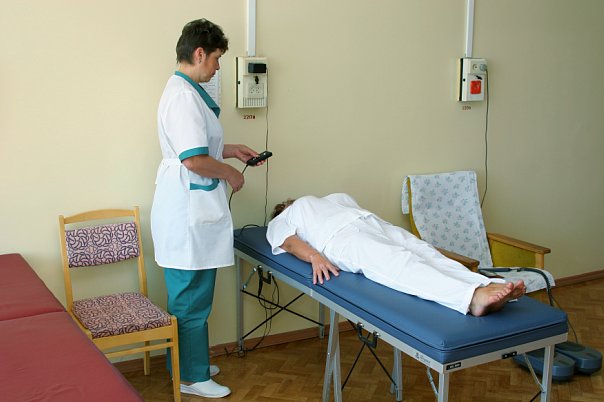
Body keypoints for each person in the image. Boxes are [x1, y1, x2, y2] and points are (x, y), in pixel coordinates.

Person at [151, 19, 263, 399]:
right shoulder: (183, 96)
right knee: (190, 300)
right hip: (186, 214)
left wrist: (231, 150)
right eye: (216, 58)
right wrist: (230, 173)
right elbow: (194, 160)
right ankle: (191, 376)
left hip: (189, 209)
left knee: (193, 296)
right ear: (199, 54)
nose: (217, 68)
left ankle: (189, 362)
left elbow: (197, 147)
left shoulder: (185, 91)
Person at [266, 193, 526, 316]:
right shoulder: (284, 218)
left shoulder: (328, 200)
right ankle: (471, 299)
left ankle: (482, 284)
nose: (289, 202)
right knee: (401, 263)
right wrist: (314, 256)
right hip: (340, 239)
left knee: (426, 252)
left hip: (373, 223)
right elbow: (288, 242)